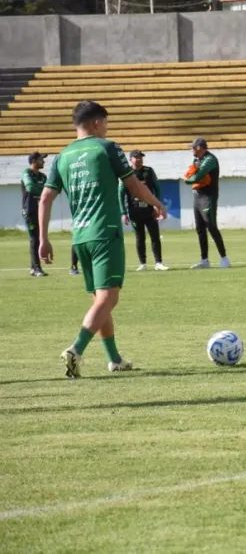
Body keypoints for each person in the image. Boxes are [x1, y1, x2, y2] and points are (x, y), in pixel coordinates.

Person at [38, 100, 168, 378]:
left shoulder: (62, 157)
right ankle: (76, 349)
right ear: (97, 122)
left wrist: (43, 238)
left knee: (101, 299)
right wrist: (156, 202)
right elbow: (133, 185)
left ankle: (114, 359)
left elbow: (46, 197)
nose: (107, 128)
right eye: (106, 122)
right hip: (105, 232)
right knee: (109, 298)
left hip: (81, 237)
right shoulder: (107, 147)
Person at [119, 150, 169, 271]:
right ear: (130, 159)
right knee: (139, 237)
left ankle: (158, 263)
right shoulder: (126, 173)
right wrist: (123, 213)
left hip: (150, 210)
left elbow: (157, 188)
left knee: (155, 236)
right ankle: (143, 263)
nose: (139, 159)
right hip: (134, 210)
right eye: (136, 157)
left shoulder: (149, 171)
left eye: (141, 157)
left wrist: (158, 205)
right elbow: (120, 193)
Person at [185, 137, 230, 269]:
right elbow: (192, 172)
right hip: (197, 196)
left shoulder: (210, 159)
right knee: (200, 228)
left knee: (211, 226)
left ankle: (224, 258)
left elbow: (199, 175)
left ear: (200, 147)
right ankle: (204, 260)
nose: (192, 149)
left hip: (208, 197)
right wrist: (190, 177)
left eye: (193, 147)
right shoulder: (197, 159)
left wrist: (188, 180)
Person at [21, 151, 48, 277]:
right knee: (34, 239)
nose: (43, 161)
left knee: (38, 238)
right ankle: (37, 268)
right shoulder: (26, 173)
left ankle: (33, 267)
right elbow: (31, 188)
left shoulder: (43, 176)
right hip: (30, 210)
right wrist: (42, 190)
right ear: (33, 161)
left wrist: (42, 189)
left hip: (40, 211)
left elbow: (49, 190)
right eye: (41, 159)